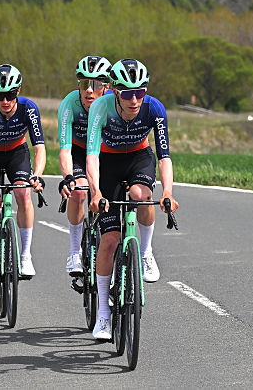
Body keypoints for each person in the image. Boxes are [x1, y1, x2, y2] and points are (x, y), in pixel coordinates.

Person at [85, 58, 179, 340]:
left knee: (141, 195)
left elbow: (164, 156)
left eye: (140, 91)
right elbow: (92, 156)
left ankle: (146, 252)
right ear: (115, 91)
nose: (135, 99)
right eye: (128, 93)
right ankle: (103, 313)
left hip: (139, 157)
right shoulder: (101, 108)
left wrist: (168, 191)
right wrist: (96, 192)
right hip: (108, 163)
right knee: (110, 240)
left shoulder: (154, 108)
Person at [0, 64, 46, 282]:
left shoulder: (29, 108)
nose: (5, 101)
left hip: (16, 153)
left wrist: (37, 175)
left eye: (10, 95)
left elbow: (39, 147)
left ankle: (25, 255)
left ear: (18, 91)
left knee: (23, 193)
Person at [56, 55, 112, 276]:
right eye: (83, 83)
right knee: (79, 191)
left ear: (107, 87)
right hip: (79, 153)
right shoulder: (69, 104)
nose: (89, 90)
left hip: (106, 155)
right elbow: (65, 149)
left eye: (96, 84)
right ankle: (74, 253)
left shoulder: (114, 103)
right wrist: (68, 176)